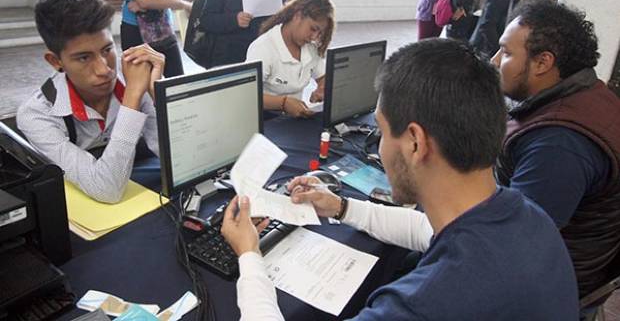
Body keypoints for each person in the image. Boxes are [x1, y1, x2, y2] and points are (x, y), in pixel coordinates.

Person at [222, 39, 579, 320]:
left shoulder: (431, 301)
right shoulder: (523, 215)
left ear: (414, 142)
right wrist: (342, 207)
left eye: (380, 130)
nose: (379, 144)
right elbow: (425, 230)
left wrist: (250, 255)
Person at [492, 0, 620, 299]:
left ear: (543, 63)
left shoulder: (558, 143)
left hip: (548, 284)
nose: (495, 60)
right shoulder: (588, 92)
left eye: (507, 52)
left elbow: (513, 242)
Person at [17, 0, 165, 203]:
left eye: (107, 50)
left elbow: (181, 161)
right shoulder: (38, 114)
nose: (104, 70)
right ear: (56, 61)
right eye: (84, 58)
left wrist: (162, 97)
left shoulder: (135, 80)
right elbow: (108, 189)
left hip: (135, 182)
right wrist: (132, 97)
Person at [245, 0, 334, 118]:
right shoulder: (263, 48)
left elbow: (324, 77)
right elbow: (248, 96)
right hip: (264, 120)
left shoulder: (309, 48)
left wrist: (322, 88)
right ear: (297, 15)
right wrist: (283, 103)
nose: (314, 37)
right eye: (313, 29)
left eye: (319, 33)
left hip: (293, 119)